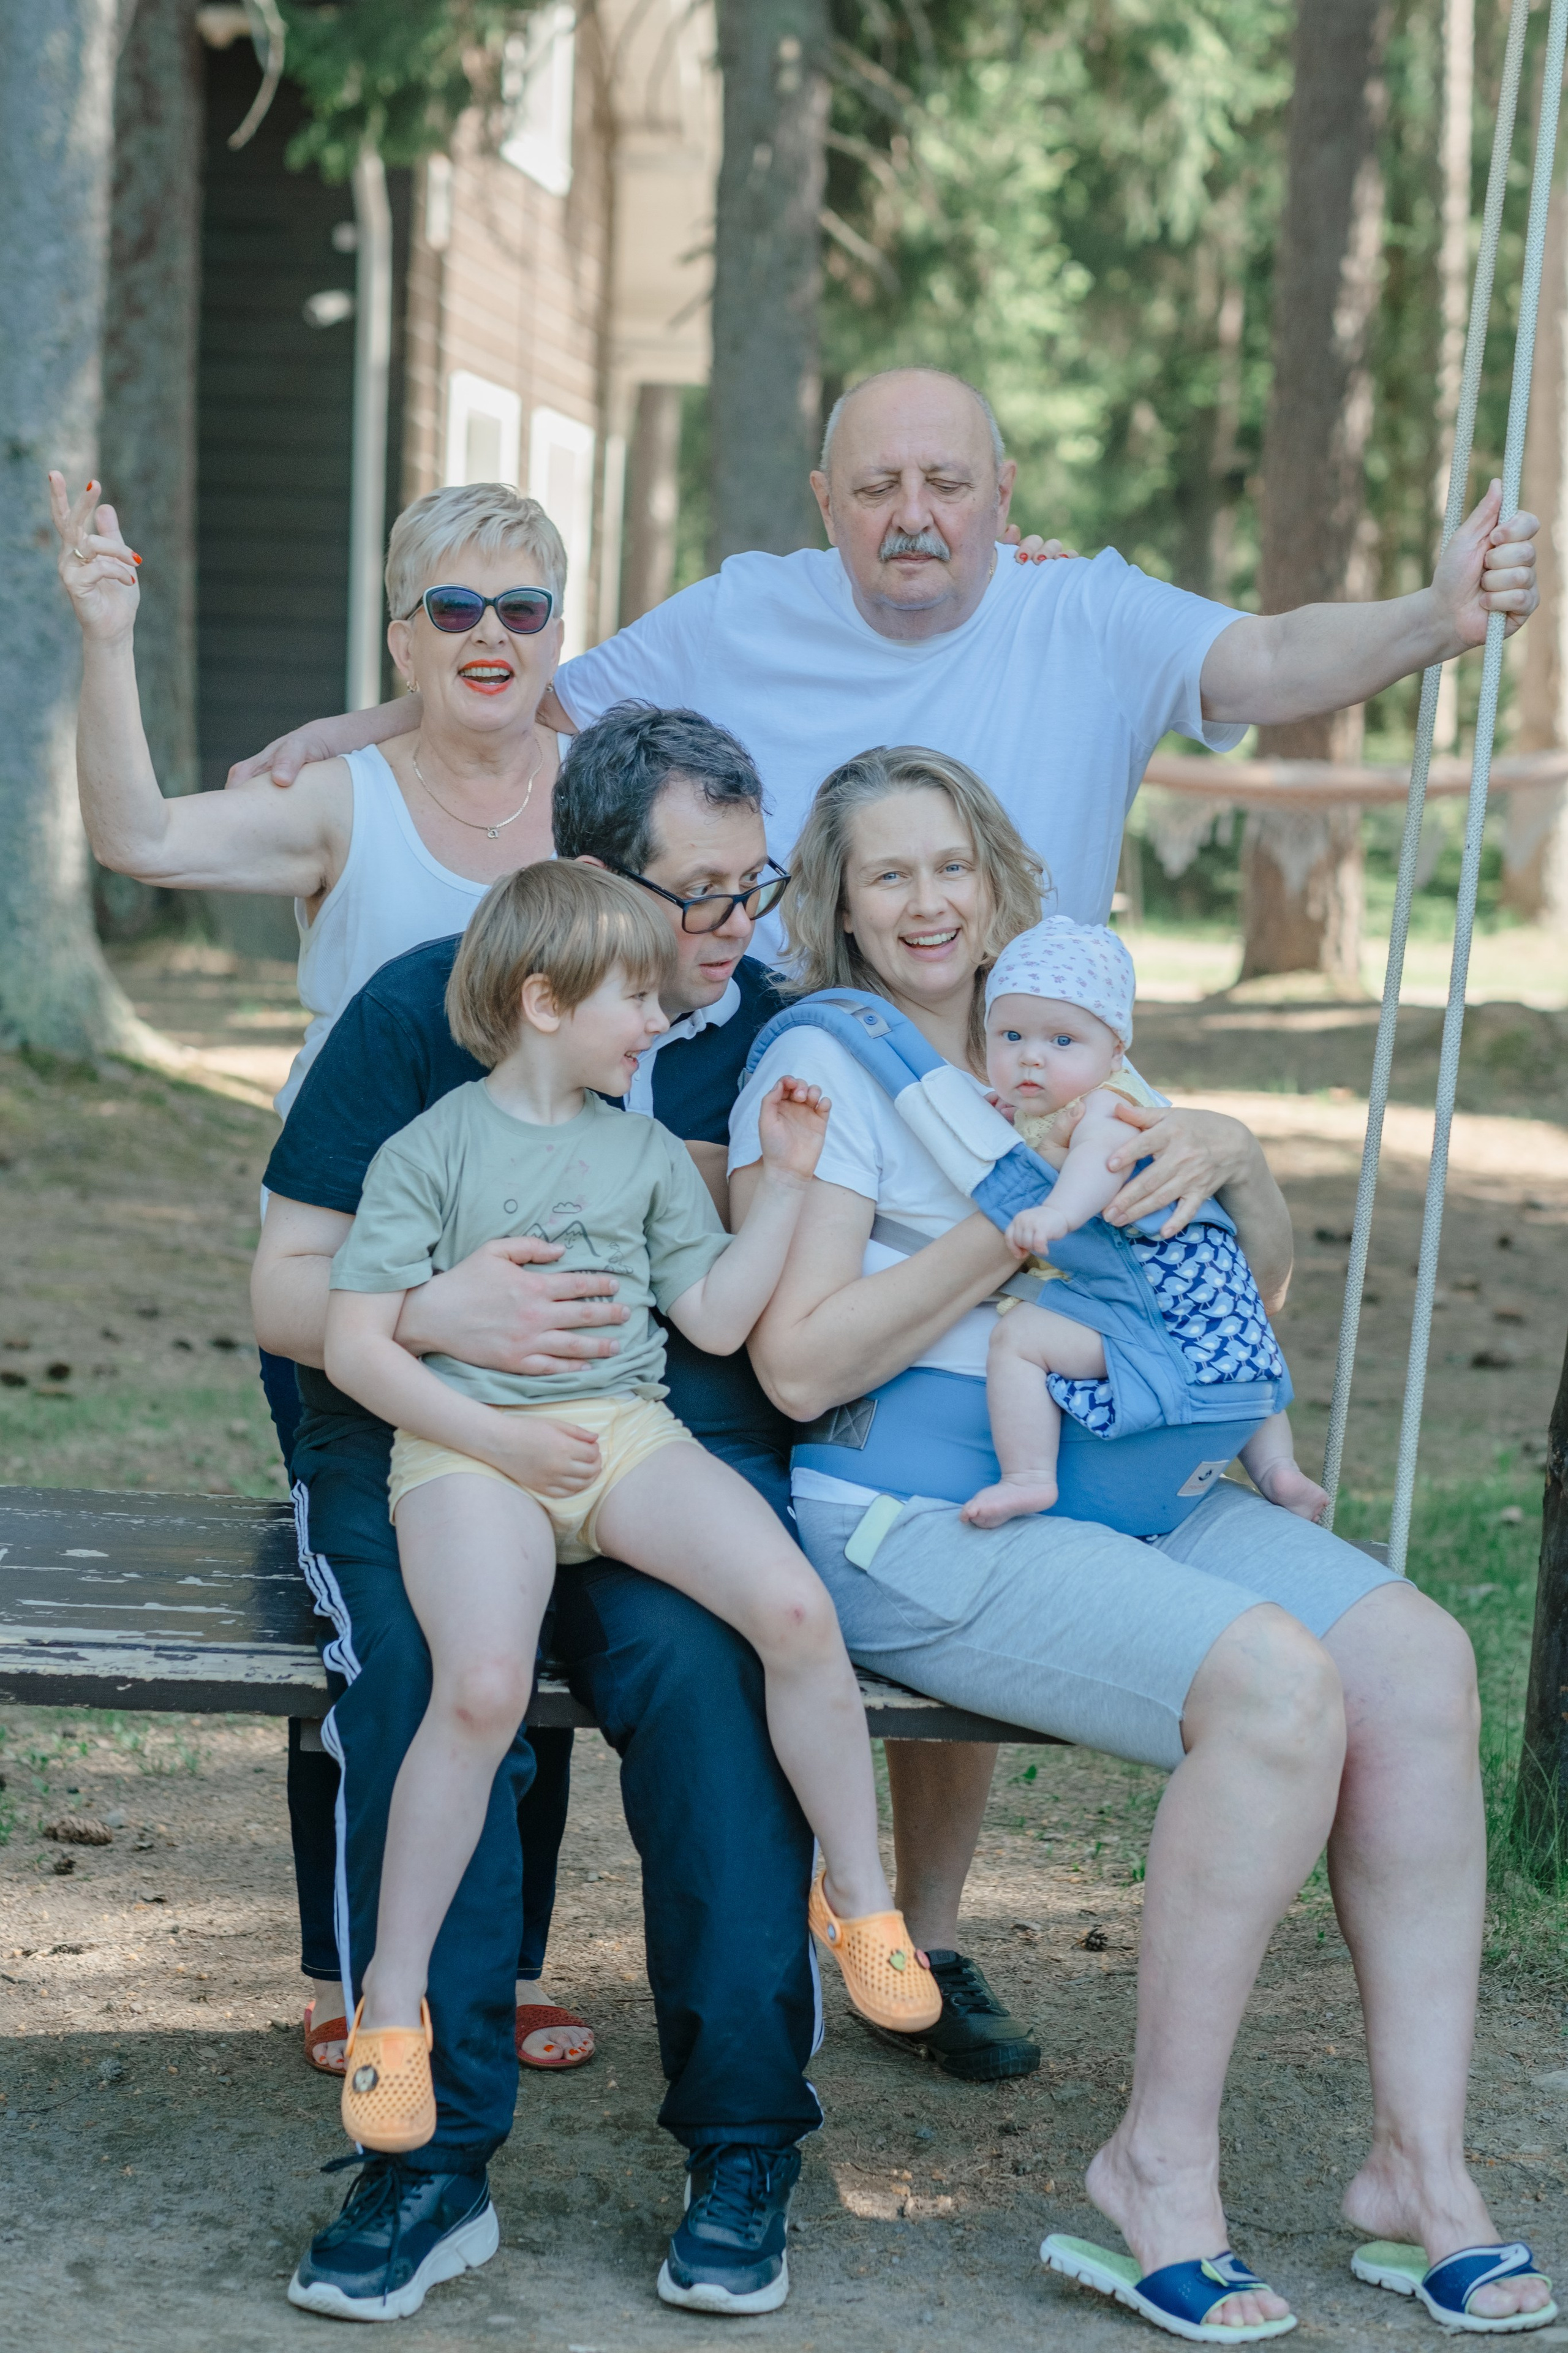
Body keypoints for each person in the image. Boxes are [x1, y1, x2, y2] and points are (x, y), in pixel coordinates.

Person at [233, 365, 1541, 2082]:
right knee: (505, 1659)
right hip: (674, 1436)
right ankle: (427, 2011)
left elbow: (1271, 663)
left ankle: (906, 1932)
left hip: (962, 1342)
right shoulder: (667, 989)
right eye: (875, 486)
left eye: (945, 481)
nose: (912, 513)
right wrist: (356, 733)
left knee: (808, 1618)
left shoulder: (1064, 715)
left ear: (1002, 488)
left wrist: (1441, 625)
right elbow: (522, 698)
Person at [726, 746, 1551, 2336]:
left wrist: (1233, 1157)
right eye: (888, 873)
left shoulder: (1073, 1051)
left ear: (998, 877)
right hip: (911, 1515)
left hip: (1132, 1478)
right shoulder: (829, 1067)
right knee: (1272, 1689)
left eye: (951, 865)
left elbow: (1262, 1284)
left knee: (1418, 1663)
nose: (927, 902)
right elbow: (801, 1364)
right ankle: (1158, 2173)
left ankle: (1418, 2170)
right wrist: (1018, 1222)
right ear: (836, 899)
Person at [249, 706, 839, 2321]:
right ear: (587, 882)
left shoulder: (780, 1034)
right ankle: (425, 2163)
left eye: (752, 883)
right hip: (417, 1449)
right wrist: (440, 1313)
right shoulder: (419, 1013)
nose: (735, 929)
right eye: (699, 894)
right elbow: (284, 1286)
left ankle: (743, 2144)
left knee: (716, 1685)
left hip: (651, 1450)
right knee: (439, 1694)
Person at [49, 470, 597, 2073]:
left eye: (523, 606)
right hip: (347, 1288)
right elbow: (139, 837)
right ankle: (344, 1965)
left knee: (535, 1612)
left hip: (561, 1295)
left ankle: (492, 1965)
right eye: (453, 607)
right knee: (379, 1616)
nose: (490, 635)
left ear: (561, 628)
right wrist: (107, 635)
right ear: (402, 631)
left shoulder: (607, 791)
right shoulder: (341, 802)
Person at [320, 861, 937, 2154]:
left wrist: (781, 1181)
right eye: (633, 1000)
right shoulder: (429, 1151)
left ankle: (862, 1898)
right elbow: (356, 1348)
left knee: (788, 1605)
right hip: (468, 1455)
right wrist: (492, 1433)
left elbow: (711, 1312)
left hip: (621, 1436)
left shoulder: (647, 1152)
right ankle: (390, 2000)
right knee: (479, 1688)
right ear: (542, 1001)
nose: (658, 1023)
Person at [960, 916, 1325, 1529]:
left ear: (1116, 1051)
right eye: (1011, 1035)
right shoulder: (1059, 1100)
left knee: (1019, 1340)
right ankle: (1278, 1471)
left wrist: (1057, 1212)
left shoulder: (1109, 1106)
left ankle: (1027, 1476)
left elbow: (1103, 1162)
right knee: (1242, 1351)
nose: (1030, 1058)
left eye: (1061, 1042)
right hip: (1230, 1325)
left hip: (1154, 1311)